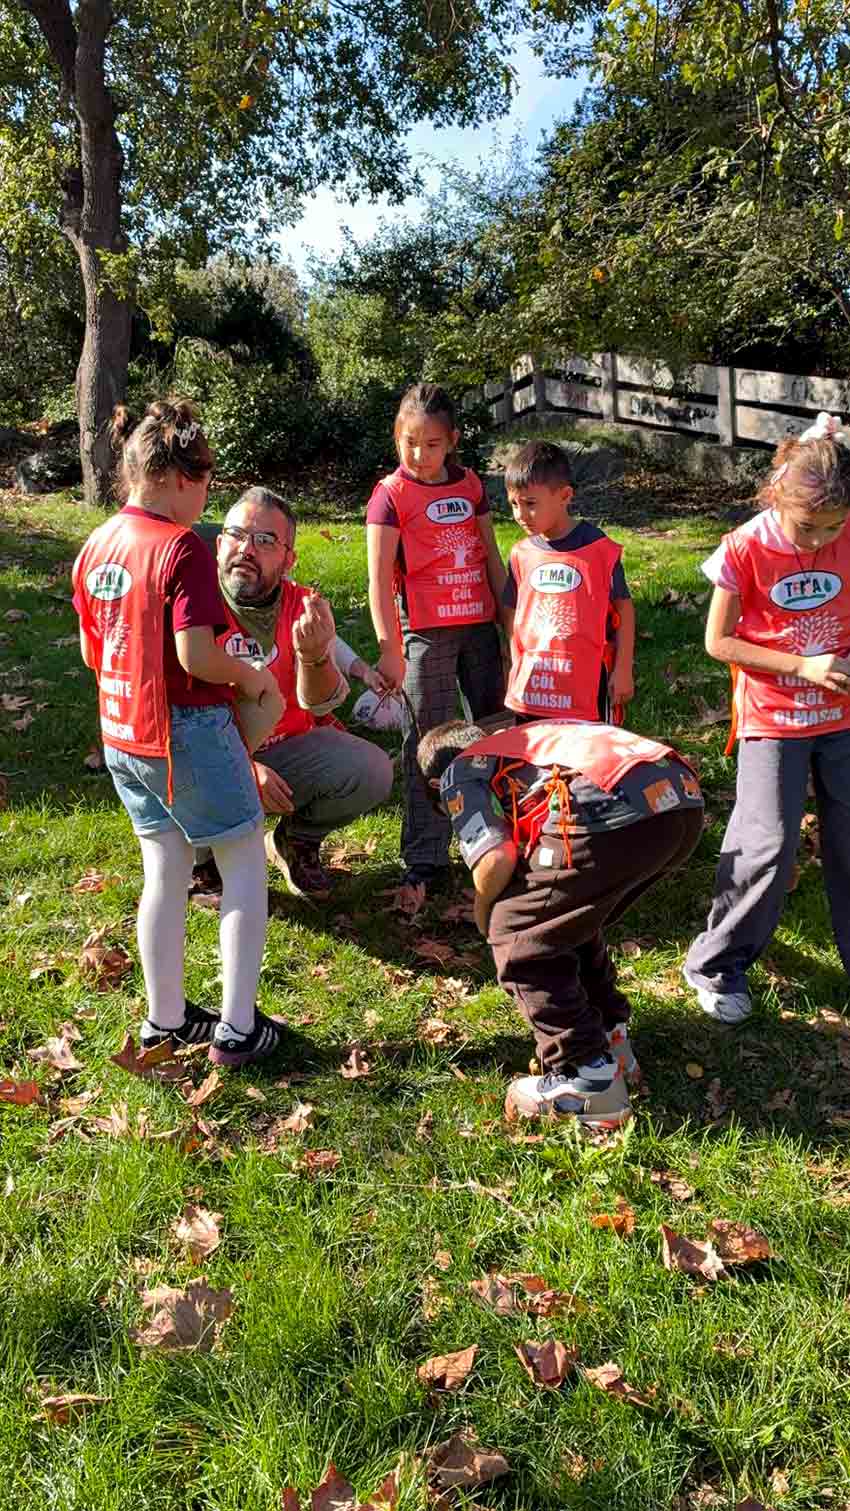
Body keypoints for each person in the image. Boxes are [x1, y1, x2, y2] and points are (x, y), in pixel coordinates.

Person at [72, 399, 285, 1068]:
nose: (206, 500)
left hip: (123, 732)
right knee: (242, 858)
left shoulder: (98, 543)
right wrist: (248, 674)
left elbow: (93, 652)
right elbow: (196, 654)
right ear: (179, 478)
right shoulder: (181, 547)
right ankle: (239, 1028)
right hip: (186, 727)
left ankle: (164, 1019)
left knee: (163, 867)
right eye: (207, 482)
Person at [417, 717, 704, 1126]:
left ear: (435, 786)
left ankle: (586, 1077)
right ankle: (611, 1038)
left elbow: (494, 856)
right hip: (679, 797)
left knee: (518, 934)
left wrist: (484, 914)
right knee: (562, 921)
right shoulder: (514, 745)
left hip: (612, 812)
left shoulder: (459, 770)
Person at [683, 412, 850, 1024]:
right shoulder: (744, 548)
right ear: (776, 496)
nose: (819, 540)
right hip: (774, 718)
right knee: (768, 844)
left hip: (842, 716)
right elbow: (718, 642)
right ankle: (716, 964)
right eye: (808, 527)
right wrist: (802, 666)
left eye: (834, 527)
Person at [201, 486, 394, 900]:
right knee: (192, 774)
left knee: (372, 769)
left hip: (284, 753)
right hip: (205, 757)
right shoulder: (190, 605)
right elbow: (172, 720)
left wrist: (314, 656)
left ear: (289, 559)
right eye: (236, 535)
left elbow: (323, 702)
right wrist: (243, 767)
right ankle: (202, 863)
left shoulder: (302, 605)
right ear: (219, 545)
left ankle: (296, 841)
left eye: (265, 540)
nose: (246, 549)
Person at [366, 382, 507, 892]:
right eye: (410, 443)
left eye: (431, 444)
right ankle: (426, 856)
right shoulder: (389, 496)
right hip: (426, 634)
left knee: (497, 730)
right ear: (396, 438)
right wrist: (390, 647)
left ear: (452, 442)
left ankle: (504, 835)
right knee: (425, 743)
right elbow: (377, 579)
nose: (420, 455)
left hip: (480, 628)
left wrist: (511, 624)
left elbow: (491, 557)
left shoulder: (470, 486)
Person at [501, 441, 635, 722]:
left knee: (586, 750)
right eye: (514, 504)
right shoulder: (520, 555)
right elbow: (512, 611)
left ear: (564, 496)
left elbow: (624, 610)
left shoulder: (599, 550)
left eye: (530, 504)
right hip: (532, 688)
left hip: (587, 689)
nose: (520, 515)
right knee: (533, 748)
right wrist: (517, 659)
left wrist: (623, 669)